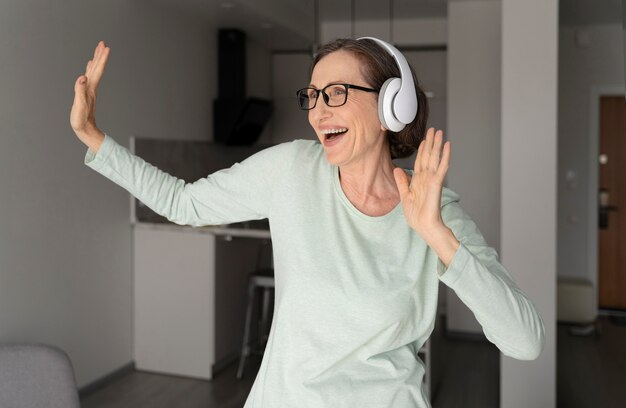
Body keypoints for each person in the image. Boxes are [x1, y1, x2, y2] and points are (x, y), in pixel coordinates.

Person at [70, 37, 545, 408]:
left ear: (390, 107)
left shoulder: (434, 209)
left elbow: (524, 342)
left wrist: (438, 235)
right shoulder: (291, 169)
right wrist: (95, 138)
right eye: (312, 95)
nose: (318, 111)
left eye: (336, 93)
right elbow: (184, 203)